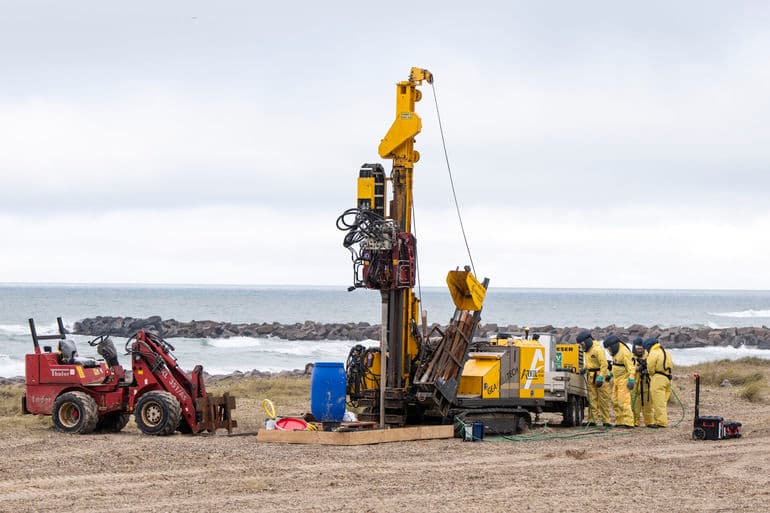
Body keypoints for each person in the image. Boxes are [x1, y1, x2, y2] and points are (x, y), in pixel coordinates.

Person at [576, 330, 611, 426]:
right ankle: (592, 420)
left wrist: (600, 377)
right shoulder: (586, 351)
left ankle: (606, 421)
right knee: (592, 400)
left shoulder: (598, 350)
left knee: (603, 400)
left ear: (587, 341)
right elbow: (589, 364)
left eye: (582, 344)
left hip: (600, 377)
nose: (581, 346)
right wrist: (584, 369)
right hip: (591, 377)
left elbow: (604, 364)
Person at [602, 334, 635, 428]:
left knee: (623, 401)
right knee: (615, 401)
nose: (609, 351)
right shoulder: (615, 353)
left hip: (624, 380)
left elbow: (631, 368)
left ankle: (628, 422)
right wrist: (610, 375)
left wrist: (631, 380)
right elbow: (616, 366)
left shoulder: (624, 353)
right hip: (617, 379)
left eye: (609, 348)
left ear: (613, 346)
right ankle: (619, 422)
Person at [645, 337, 673, 428]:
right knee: (662, 402)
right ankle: (661, 420)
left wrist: (651, 374)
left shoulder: (654, 352)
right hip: (667, 378)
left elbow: (650, 367)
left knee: (658, 402)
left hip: (658, 379)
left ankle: (660, 422)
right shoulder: (665, 352)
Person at [631, 337, 654, 427]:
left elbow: (652, 366)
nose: (640, 350)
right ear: (634, 348)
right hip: (634, 383)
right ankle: (635, 422)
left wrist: (646, 370)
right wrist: (637, 369)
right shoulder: (630, 357)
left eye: (641, 349)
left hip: (645, 382)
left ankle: (649, 422)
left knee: (647, 403)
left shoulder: (648, 355)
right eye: (638, 349)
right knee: (634, 404)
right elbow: (628, 368)